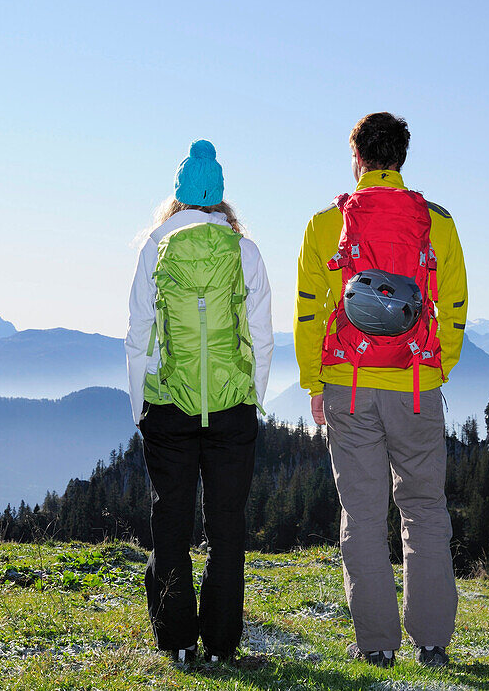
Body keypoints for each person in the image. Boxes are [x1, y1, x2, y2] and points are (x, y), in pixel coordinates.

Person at [293, 113, 468, 669]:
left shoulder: (325, 224)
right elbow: (454, 308)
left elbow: (309, 310)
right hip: (416, 384)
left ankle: (376, 644)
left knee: (362, 514)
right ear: (402, 158)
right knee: (424, 509)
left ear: (358, 157)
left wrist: (313, 381)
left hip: (348, 383)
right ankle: (433, 640)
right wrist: (438, 369)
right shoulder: (436, 223)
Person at [124, 139, 273, 663]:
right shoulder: (244, 250)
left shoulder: (154, 247)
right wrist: (253, 397)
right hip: (231, 407)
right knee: (227, 526)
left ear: (180, 195)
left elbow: (139, 332)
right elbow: (261, 335)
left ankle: (177, 640)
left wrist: (139, 401)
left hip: (169, 407)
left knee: (171, 523)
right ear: (220, 198)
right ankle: (221, 644)